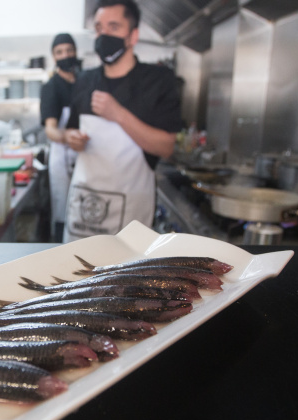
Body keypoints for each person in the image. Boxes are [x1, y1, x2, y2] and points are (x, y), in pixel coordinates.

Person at [63, 0, 184, 242]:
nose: (103, 35)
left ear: (133, 36)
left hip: (131, 215)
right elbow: (70, 133)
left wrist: (118, 114)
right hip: (84, 210)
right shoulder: (85, 80)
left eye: (114, 27)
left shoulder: (158, 81)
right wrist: (72, 139)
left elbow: (166, 147)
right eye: (99, 28)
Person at [40, 33, 81, 242]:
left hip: (86, 155)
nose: (65, 55)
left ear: (75, 52)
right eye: (60, 52)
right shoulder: (51, 88)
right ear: (54, 57)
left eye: (69, 50)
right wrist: (67, 136)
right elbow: (50, 130)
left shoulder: (85, 81)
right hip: (62, 157)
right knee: (63, 209)